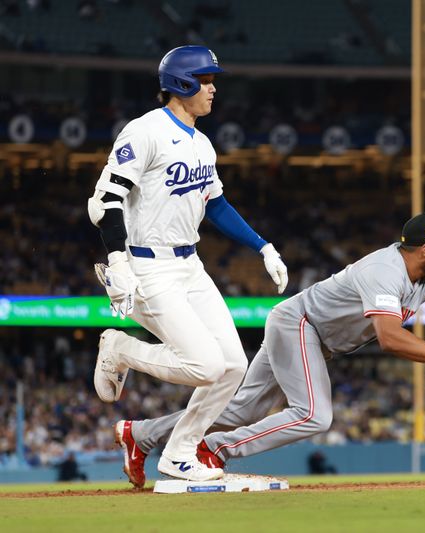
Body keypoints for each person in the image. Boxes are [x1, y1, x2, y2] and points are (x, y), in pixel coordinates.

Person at [113, 212, 425, 488]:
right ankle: (211, 451)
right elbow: (389, 339)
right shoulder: (385, 271)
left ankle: (142, 434)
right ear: (423, 249)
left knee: (239, 406)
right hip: (301, 325)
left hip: (310, 333)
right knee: (313, 415)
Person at [87, 45, 288, 483]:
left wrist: (262, 246)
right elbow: (106, 201)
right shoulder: (145, 132)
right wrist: (117, 258)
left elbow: (216, 206)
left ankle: (178, 453)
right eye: (206, 79)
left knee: (233, 365)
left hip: (189, 265)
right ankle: (120, 348)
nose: (213, 88)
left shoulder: (202, 143)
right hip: (147, 266)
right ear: (182, 84)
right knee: (206, 366)